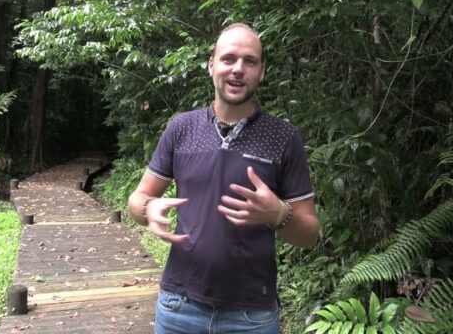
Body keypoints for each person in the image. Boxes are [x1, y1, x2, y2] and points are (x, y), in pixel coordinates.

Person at [128, 23, 320, 333]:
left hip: (251, 317)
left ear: (262, 72)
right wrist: (148, 209)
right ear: (212, 65)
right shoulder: (182, 128)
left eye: (250, 61)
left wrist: (279, 214)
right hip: (179, 308)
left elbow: (309, 235)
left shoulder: (284, 137)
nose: (238, 69)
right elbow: (137, 200)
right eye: (229, 59)